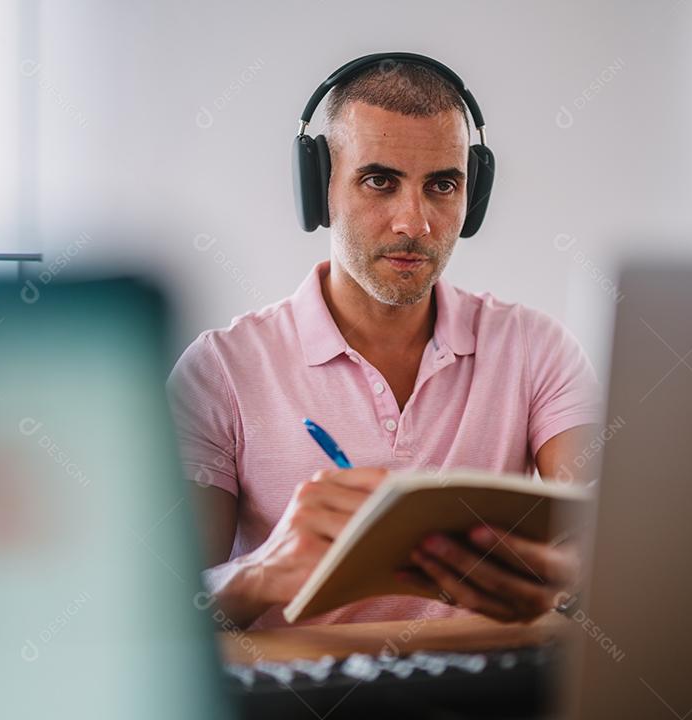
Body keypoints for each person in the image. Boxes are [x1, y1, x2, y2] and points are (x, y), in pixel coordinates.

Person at [167, 56, 602, 630]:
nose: (413, 223)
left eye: (442, 185)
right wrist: (260, 571)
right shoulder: (218, 370)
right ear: (319, 187)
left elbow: (613, 545)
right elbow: (160, 616)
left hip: (487, 690)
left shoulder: (538, 349)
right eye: (380, 181)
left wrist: (570, 583)